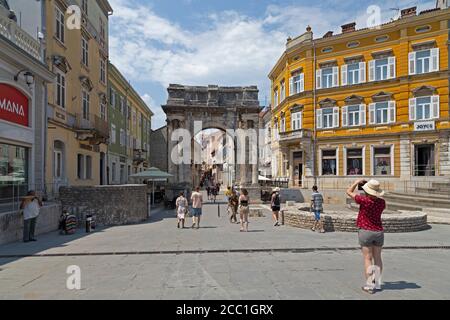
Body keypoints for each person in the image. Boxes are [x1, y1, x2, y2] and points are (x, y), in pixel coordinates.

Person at [347, 179, 386, 294]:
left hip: (366, 231)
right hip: (379, 231)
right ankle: (377, 283)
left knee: (367, 258)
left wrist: (356, 182)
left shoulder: (364, 200)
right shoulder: (382, 202)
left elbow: (348, 191)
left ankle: (369, 285)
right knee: (377, 258)